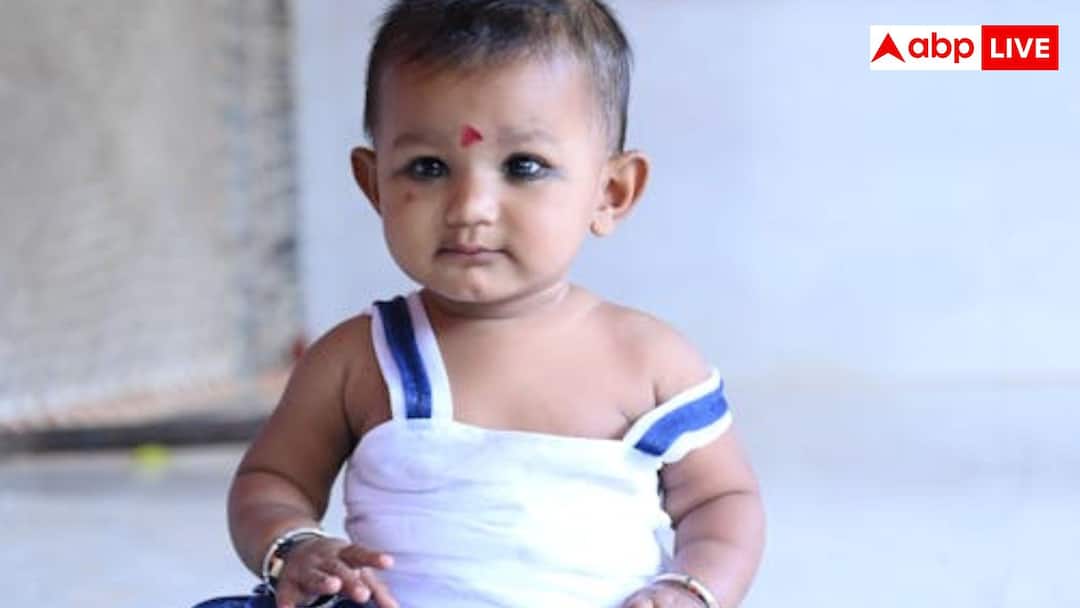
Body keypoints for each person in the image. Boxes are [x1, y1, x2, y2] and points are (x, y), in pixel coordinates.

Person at [222, 1, 765, 607]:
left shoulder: (649, 361)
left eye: (523, 166)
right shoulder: (358, 358)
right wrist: (293, 545)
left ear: (611, 192)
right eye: (428, 167)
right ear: (374, 184)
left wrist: (691, 590)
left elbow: (721, 500)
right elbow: (271, 480)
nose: (470, 207)